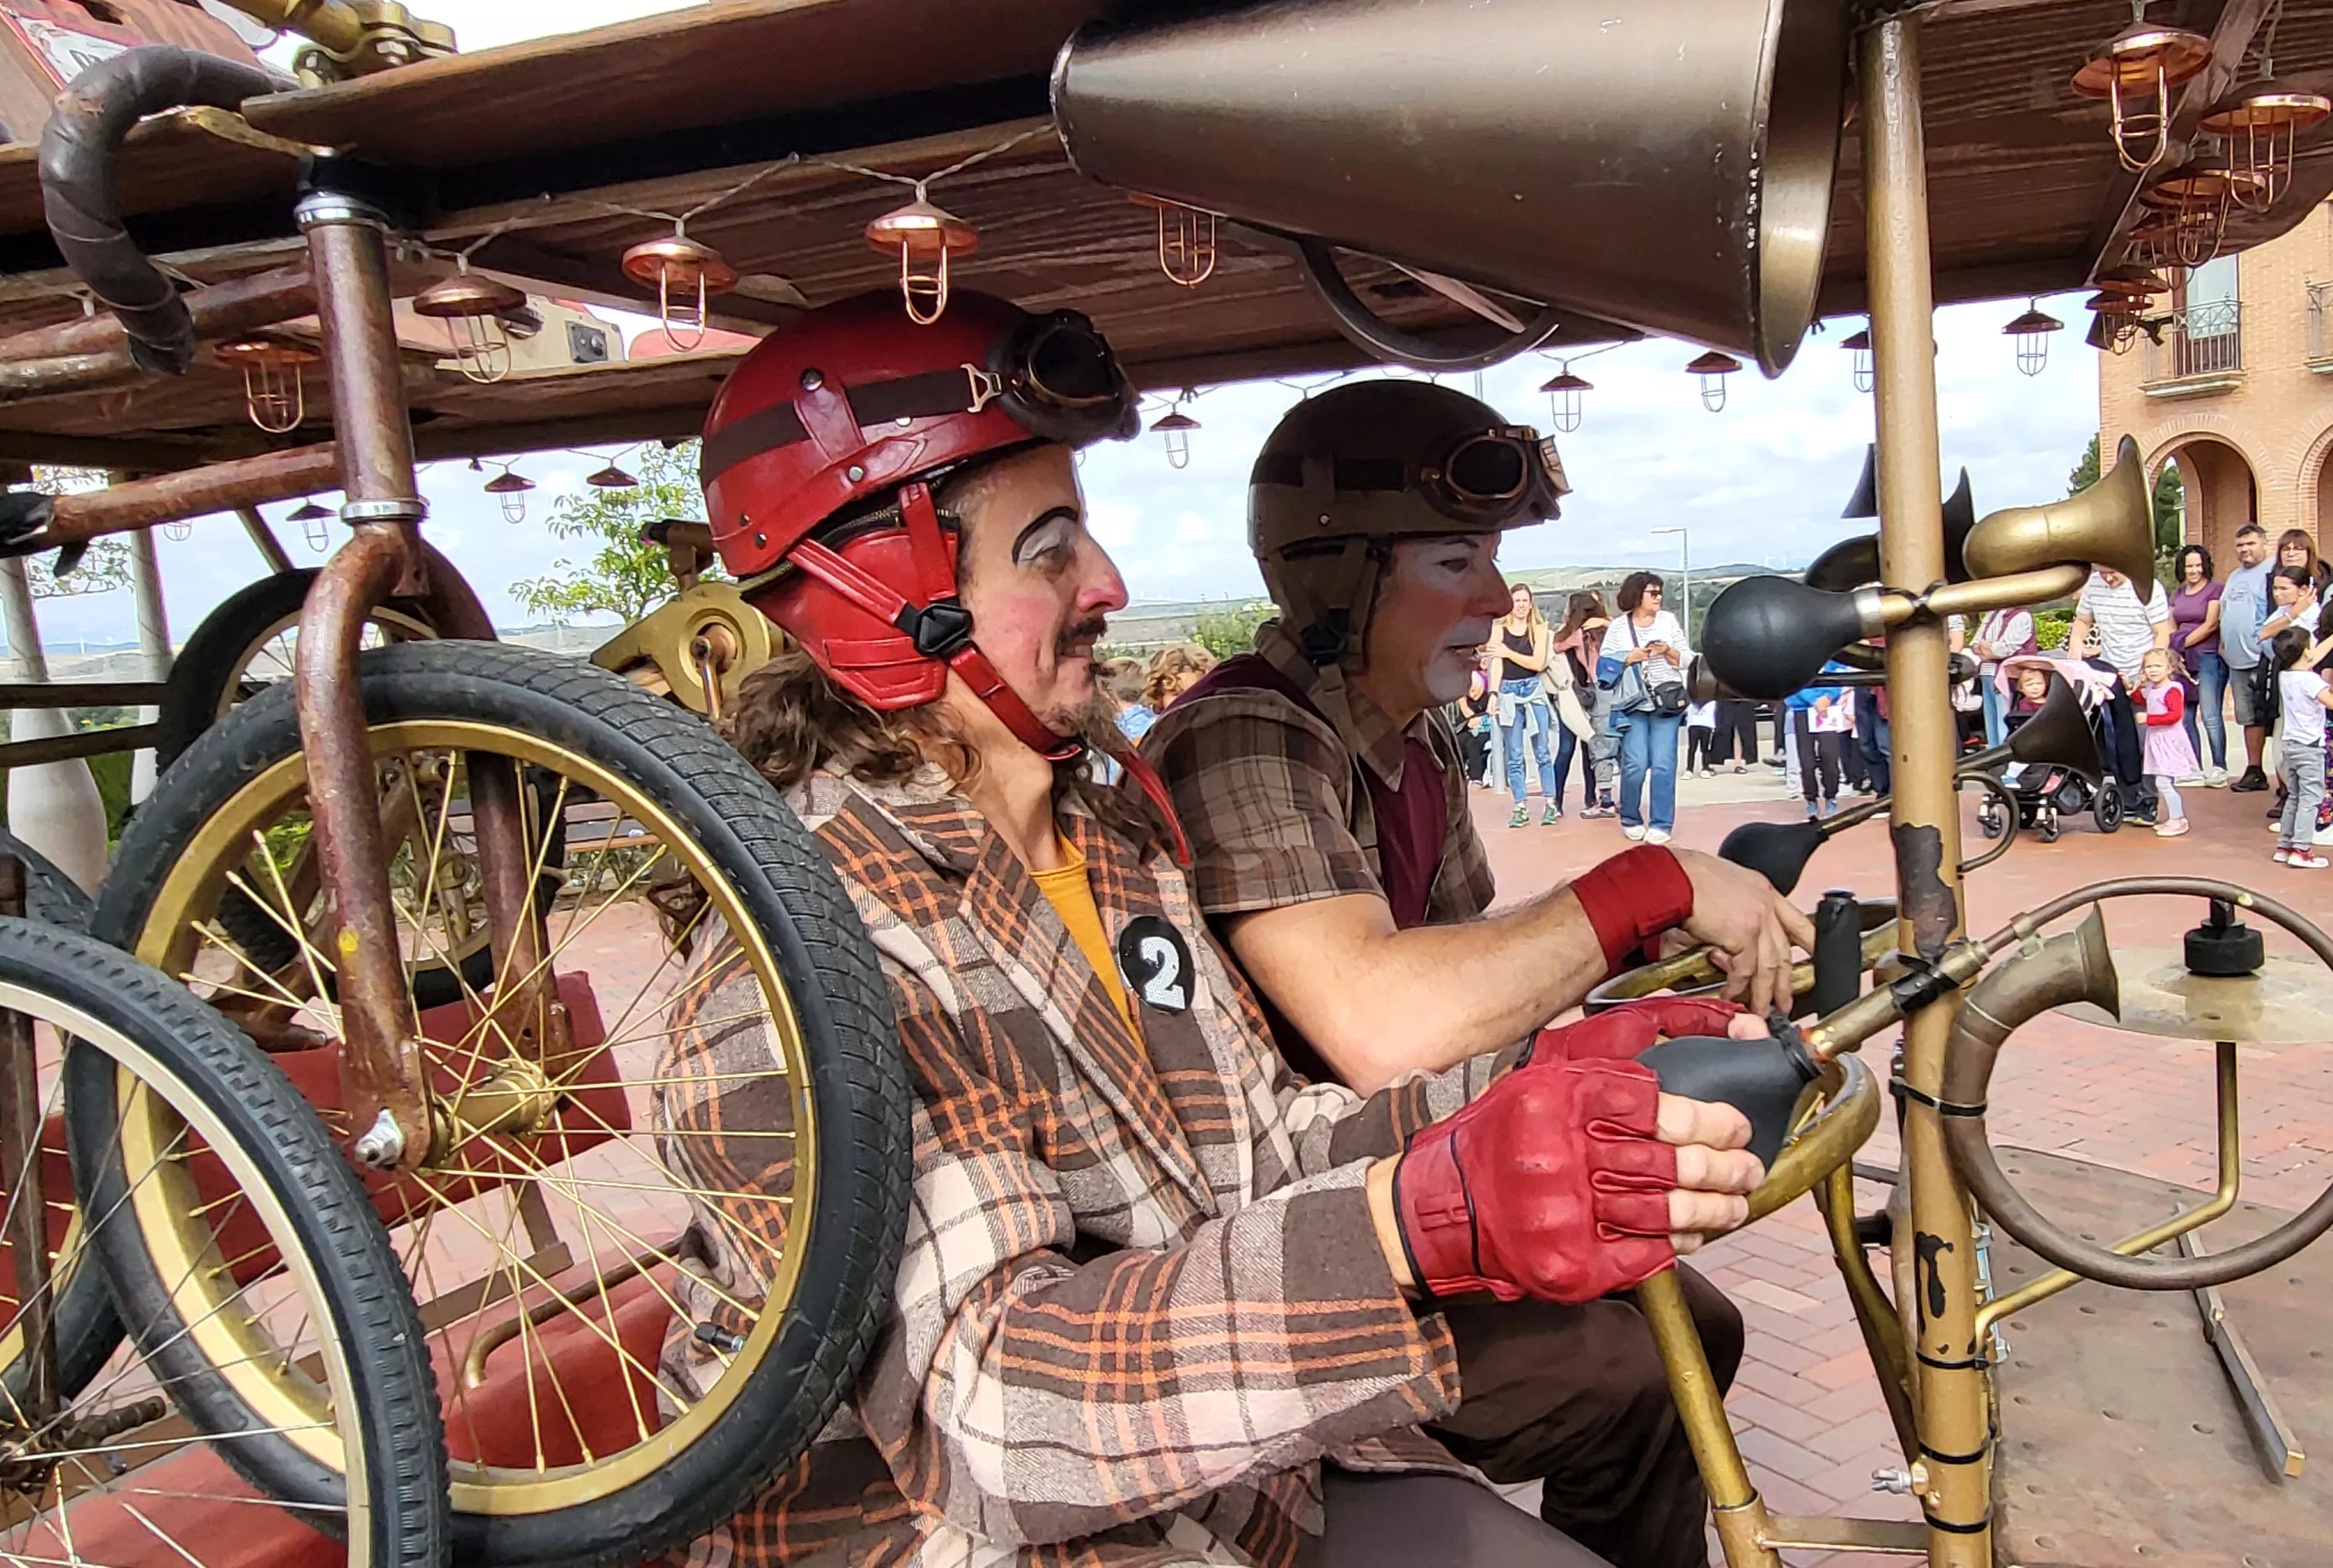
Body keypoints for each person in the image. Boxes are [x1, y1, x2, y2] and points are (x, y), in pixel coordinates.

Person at [668, 292, 1767, 1568]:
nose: (1110, 585)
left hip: (1232, 1490)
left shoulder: (1110, 842)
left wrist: (1542, 1080)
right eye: (1050, 545)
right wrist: (1418, 1222)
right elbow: (992, 1417)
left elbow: (1257, 1149)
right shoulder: (799, 952)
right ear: (893, 594)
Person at [1138, 379, 1814, 1568]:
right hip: (1276, 1249)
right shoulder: (1245, 732)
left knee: (1694, 1323)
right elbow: (1383, 1023)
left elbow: (1474, 984)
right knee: (1642, 1365)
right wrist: (1643, 885)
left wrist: (1647, 985)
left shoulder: (1421, 742)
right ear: (1337, 581)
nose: (1499, 600)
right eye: (1458, 561)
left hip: (1398, 1183)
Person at [1601, 572, 1694, 843]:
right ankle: (1630, 815)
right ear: (1637, 595)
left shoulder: (1668, 621)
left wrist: (1666, 651)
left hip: (1666, 700)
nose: (1658, 598)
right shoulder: (1619, 627)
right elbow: (1604, 665)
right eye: (1653, 593)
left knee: (1664, 764)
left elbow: (1686, 659)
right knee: (1635, 765)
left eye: (1660, 592)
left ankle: (1661, 823)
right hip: (1633, 702)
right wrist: (1631, 658)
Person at [2271, 625, 2333, 870]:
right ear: (2305, 652)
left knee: (2295, 796)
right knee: (2311, 798)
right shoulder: (2310, 680)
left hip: (2291, 744)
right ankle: (2301, 849)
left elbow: (2314, 655)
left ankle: (2285, 845)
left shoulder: (2286, 675)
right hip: (2310, 748)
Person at [1485, 583, 1557, 827]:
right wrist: (1493, 693)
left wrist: (1508, 652)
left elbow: (1537, 663)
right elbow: (1496, 663)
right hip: (1507, 693)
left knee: (1542, 751)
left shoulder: (1539, 628)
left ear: (1531, 603)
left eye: (1525, 600)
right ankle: (1520, 806)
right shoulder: (1498, 630)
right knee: (1514, 754)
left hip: (1533, 692)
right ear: (1510, 603)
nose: (1522, 605)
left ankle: (1550, 803)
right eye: (1517, 601)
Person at [2216, 523, 2278, 790]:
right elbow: (2225, 610)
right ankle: (2255, 770)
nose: (2245, 550)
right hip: (2237, 659)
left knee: (2271, 717)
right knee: (2248, 717)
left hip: (2264, 658)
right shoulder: (2235, 576)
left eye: (2251, 544)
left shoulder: (2274, 570)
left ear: (2264, 542)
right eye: (2240, 545)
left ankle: (2284, 777)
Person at [1551, 591, 1614, 819]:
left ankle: (1557, 800)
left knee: (1574, 747)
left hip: (1589, 692)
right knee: (1599, 745)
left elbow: (1556, 645)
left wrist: (1569, 623)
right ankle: (1597, 797)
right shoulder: (1610, 627)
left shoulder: (1579, 633)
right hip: (1614, 689)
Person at [2167, 545, 2226, 782]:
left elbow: (2211, 624)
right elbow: (2171, 623)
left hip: (2207, 656)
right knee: (2186, 714)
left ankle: (2219, 766)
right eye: (2188, 565)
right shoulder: (2178, 593)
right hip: (2181, 660)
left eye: (2197, 565)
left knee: (2211, 714)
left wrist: (2181, 643)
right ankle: (2194, 767)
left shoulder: (2216, 589)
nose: (2193, 570)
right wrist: (2174, 650)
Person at [2074, 562, 2173, 692]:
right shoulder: (2093, 584)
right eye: (2103, 573)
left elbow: (2161, 633)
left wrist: (2149, 670)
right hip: (2107, 672)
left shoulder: (2149, 587)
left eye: (2112, 572)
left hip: (2141, 673)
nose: (2108, 578)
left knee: (2140, 712)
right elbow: (2083, 620)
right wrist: (2076, 641)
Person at [2133, 648, 2196, 836]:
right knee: (2163, 780)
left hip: (2168, 740)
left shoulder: (2172, 689)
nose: (2152, 670)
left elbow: (2175, 716)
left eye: (2158, 666)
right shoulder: (2152, 687)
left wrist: (2149, 719)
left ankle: (2178, 819)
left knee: (2163, 781)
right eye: (2149, 666)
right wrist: (2135, 686)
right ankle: (2174, 817)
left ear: (2169, 669)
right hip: (2157, 739)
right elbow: (2142, 699)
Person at [1787, 664, 1855, 821]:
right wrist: (1814, 700)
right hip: (1802, 710)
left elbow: (1838, 675)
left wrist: (1828, 698)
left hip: (1828, 710)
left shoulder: (1831, 655)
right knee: (1807, 761)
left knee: (1829, 756)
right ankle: (1811, 800)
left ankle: (1831, 797)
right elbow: (1791, 679)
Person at [1969, 601, 2037, 747]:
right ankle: (1993, 754)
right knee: (1991, 719)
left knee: (2004, 718)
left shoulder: (2022, 616)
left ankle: (2006, 756)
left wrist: (1988, 648)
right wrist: (1988, 648)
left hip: (2007, 676)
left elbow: (2004, 649)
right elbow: (1975, 644)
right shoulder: (1991, 614)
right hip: (1987, 673)